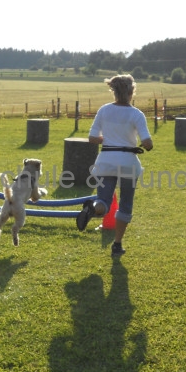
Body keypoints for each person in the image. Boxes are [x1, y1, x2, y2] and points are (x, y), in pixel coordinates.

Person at [77, 74, 153, 257]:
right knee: (125, 204)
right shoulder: (137, 114)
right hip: (128, 163)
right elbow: (148, 143)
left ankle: (93, 207)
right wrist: (144, 145)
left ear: (114, 91)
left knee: (104, 201)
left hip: (106, 161)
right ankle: (117, 244)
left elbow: (92, 138)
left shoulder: (104, 110)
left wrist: (108, 139)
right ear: (131, 92)